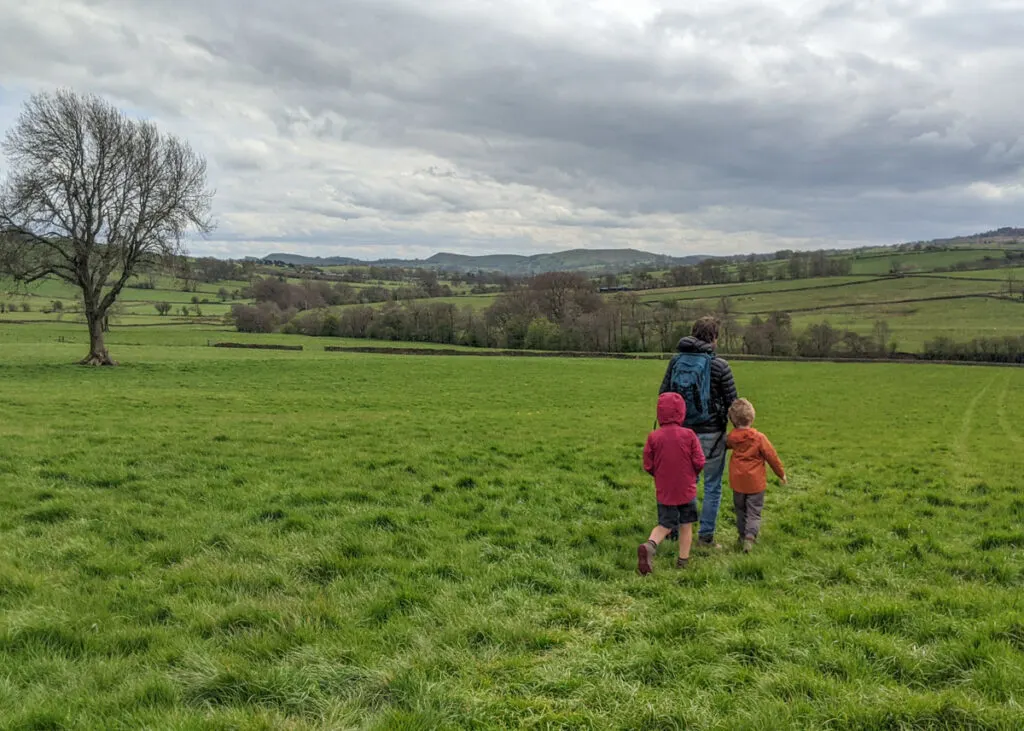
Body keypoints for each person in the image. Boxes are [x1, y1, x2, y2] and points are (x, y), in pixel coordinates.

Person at [659, 316, 737, 549]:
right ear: (714, 338)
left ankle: (678, 529)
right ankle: (705, 537)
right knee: (712, 484)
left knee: (685, 482)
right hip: (712, 432)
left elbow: (664, 394)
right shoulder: (720, 366)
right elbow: (733, 403)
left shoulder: (676, 362)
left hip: (680, 432)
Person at [637, 392, 706, 574]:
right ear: (681, 412)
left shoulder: (654, 437)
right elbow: (699, 461)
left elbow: (648, 463)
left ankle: (650, 545)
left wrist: (658, 474)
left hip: (665, 489)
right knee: (686, 524)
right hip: (686, 489)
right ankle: (683, 561)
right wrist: (693, 474)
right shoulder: (689, 435)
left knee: (665, 524)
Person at [725, 398, 786, 553]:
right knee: (754, 511)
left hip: (738, 482)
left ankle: (741, 535)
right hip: (756, 484)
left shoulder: (731, 438)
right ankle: (750, 538)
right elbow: (772, 457)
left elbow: (724, 445)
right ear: (752, 418)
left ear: (732, 420)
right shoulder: (759, 438)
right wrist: (781, 474)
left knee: (740, 511)